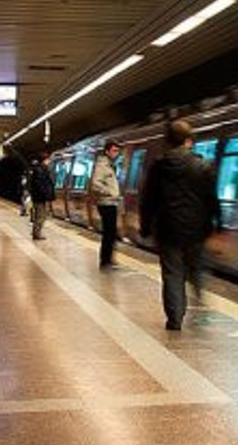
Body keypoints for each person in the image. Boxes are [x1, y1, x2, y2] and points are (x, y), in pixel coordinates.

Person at [141, 120, 220, 330]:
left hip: (167, 229)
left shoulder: (158, 166)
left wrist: (145, 225)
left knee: (172, 274)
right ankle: (200, 303)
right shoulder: (203, 166)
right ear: (189, 141)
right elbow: (212, 199)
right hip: (196, 230)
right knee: (196, 268)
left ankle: (175, 318)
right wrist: (216, 222)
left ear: (168, 142)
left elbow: (149, 199)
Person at [90, 141, 123, 269]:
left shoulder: (110, 165)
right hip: (106, 203)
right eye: (114, 151)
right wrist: (110, 192)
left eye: (118, 151)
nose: (116, 153)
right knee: (109, 233)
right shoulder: (102, 165)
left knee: (111, 232)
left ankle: (108, 258)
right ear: (107, 151)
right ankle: (105, 261)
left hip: (111, 202)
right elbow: (95, 183)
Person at [28, 153, 55, 240]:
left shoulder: (39, 169)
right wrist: (46, 194)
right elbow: (40, 185)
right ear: (44, 160)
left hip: (38, 197)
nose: (49, 161)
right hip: (39, 197)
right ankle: (37, 234)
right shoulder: (40, 170)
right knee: (40, 216)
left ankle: (36, 232)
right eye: (48, 159)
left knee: (40, 215)